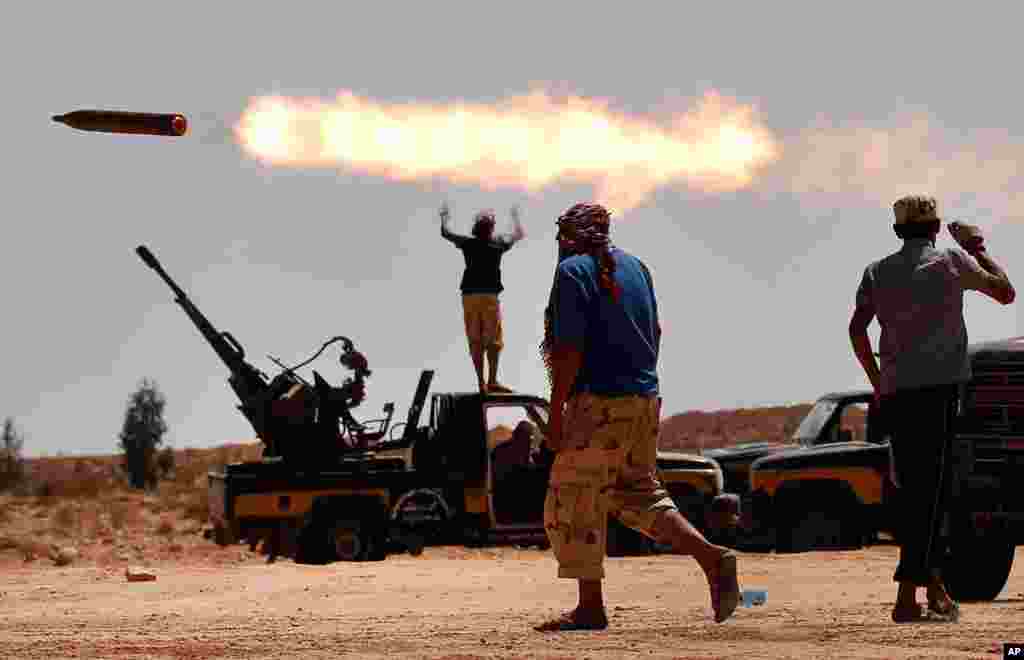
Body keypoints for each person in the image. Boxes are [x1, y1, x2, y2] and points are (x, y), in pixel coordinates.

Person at [536, 202, 740, 632]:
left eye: (560, 236)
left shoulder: (572, 271)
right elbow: (657, 332)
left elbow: (568, 350)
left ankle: (590, 607)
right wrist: (640, 382)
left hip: (598, 402)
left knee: (571, 500)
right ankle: (712, 557)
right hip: (644, 399)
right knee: (636, 494)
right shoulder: (637, 267)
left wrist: (556, 412)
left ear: (570, 235)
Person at [848, 195, 1015, 623]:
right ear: (937, 227)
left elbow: (857, 329)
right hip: (940, 391)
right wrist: (977, 248)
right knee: (933, 493)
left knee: (918, 492)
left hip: (898, 393)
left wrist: (876, 379)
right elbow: (1006, 293)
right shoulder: (953, 262)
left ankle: (931, 590)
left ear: (897, 230)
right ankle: (908, 597)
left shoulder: (877, 270)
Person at [440, 203, 525, 393]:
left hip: (471, 296)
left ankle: (483, 383)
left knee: (477, 340)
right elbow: (518, 235)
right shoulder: (496, 244)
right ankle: (490, 381)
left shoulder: (470, 243)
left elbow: (446, 233)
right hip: (487, 296)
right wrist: (515, 219)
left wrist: (444, 218)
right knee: (492, 340)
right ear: (490, 228)